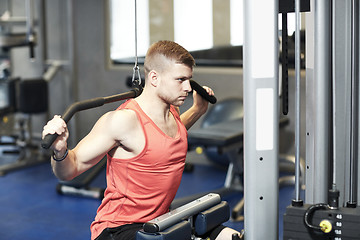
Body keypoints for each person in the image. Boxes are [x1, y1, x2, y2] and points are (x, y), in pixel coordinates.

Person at [42, 40, 240, 240]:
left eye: (189, 79)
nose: (188, 87)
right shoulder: (123, 121)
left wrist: (198, 109)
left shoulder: (172, 112)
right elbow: (70, 169)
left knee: (229, 236)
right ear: (154, 78)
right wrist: (60, 151)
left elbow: (166, 139)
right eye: (180, 80)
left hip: (160, 223)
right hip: (119, 230)